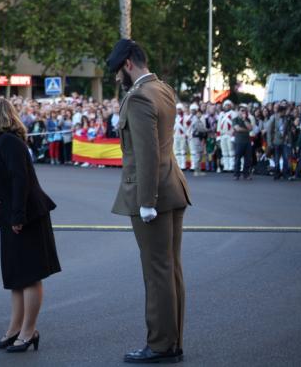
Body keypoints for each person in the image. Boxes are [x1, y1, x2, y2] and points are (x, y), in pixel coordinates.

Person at [106, 39, 190, 364]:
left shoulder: (139, 96)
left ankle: (159, 344)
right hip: (174, 187)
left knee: (156, 272)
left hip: (152, 194)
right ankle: (173, 340)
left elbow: (147, 153)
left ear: (128, 64)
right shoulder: (163, 89)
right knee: (170, 270)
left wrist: (147, 201)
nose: (117, 79)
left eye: (117, 72)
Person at [0, 97, 60, 354]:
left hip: (26, 217)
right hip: (11, 216)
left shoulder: (10, 142)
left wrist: (18, 216)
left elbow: (21, 181)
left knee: (29, 275)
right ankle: (15, 330)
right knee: (16, 277)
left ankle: (29, 332)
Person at [264, 102, 295, 180]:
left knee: (285, 158)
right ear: (280, 111)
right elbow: (269, 131)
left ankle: (285, 174)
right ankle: (277, 174)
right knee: (277, 159)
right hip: (276, 142)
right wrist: (270, 143)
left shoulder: (286, 119)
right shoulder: (273, 118)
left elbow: (288, 131)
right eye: (284, 111)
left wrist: (290, 142)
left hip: (284, 142)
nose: (285, 113)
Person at [231, 105, 254, 180]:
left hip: (247, 142)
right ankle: (236, 174)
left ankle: (246, 174)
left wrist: (245, 120)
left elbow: (250, 128)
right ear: (238, 111)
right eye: (241, 110)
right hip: (239, 141)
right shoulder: (235, 119)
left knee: (248, 159)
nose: (243, 112)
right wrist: (247, 130)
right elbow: (237, 129)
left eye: (244, 110)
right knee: (237, 159)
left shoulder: (247, 119)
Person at [187, 103, 206, 176]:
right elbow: (200, 129)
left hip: (197, 138)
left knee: (199, 153)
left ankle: (198, 169)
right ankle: (196, 170)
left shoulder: (193, 118)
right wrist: (207, 130)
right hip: (195, 138)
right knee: (197, 154)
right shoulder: (194, 119)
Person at [217, 100, 235, 172]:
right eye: (225, 105)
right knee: (224, 152)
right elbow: (218, 125)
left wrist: (233, 135)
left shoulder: (233, 114)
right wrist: (218, 136)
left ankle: (231, 166)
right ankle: (226, 166)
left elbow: (234, 125)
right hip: (222, 135)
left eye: (228, 105)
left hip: (230, 135)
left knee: (231, 151)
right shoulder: (221, 114)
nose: (226, 107)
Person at [173, 103, 189, 170]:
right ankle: (178, 165)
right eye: (177, 109)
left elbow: (187, 126)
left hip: (182, 135)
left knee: (183, 151)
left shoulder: (185, 117)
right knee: (176, 151)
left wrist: (186, 135)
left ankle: (183, 165)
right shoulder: (174, 117)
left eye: (179, 109)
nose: (178, 111)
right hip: (175, 135)